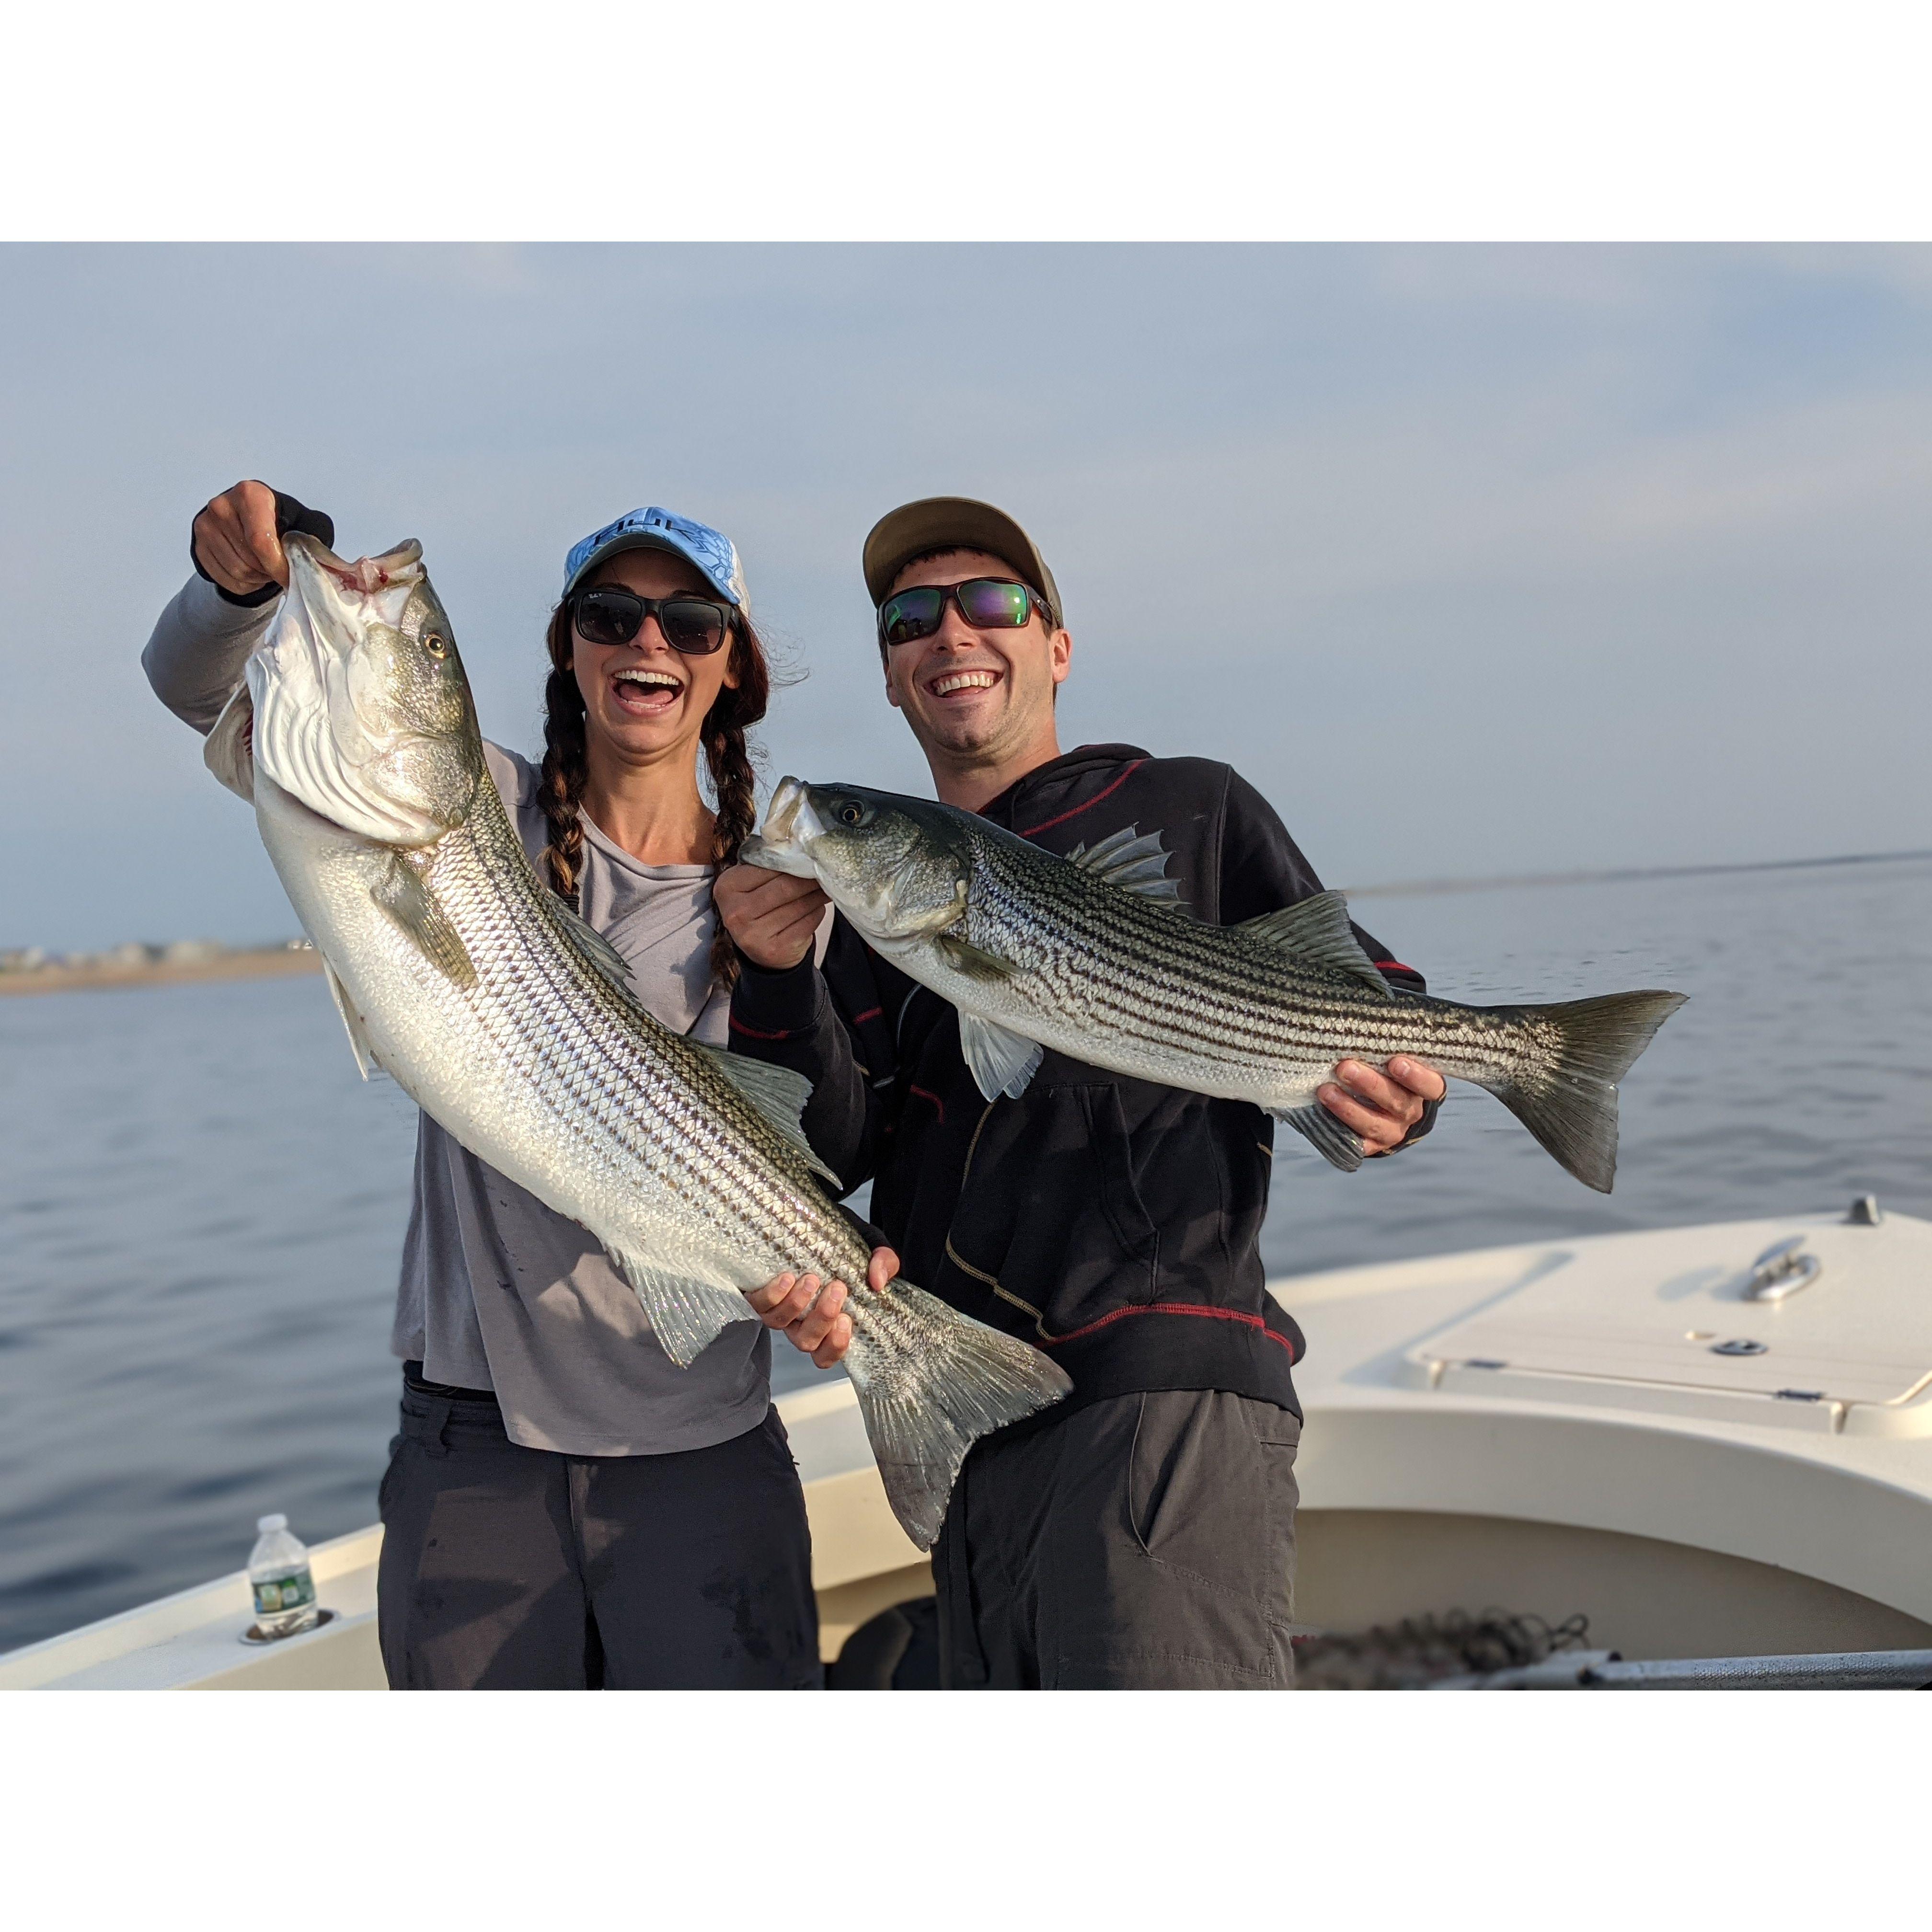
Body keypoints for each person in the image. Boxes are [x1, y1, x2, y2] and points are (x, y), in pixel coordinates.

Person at [146, 483, 887, 1689]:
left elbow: (826, 1140)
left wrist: (787, 989)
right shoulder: (462, 801)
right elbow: (198, 689)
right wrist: (234, 587)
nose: (648, 642)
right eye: (610, 615)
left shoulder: (782, 897)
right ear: (569, 652)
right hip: (470, 1437)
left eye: (692, 623)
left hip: (700, 1450)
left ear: (732, 669)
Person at [715, 496, 1448, 1690]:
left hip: (1163, 1389)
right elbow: (822, 1151)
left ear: (1055, 648)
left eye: (993, 604)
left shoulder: (1191, 807)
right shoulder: (857, 915)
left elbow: (1372, 1007)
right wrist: (779, 975)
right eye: (911, 619)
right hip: (963, 1408)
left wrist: (1405, 1100)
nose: (951, 635)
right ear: (894, 680)